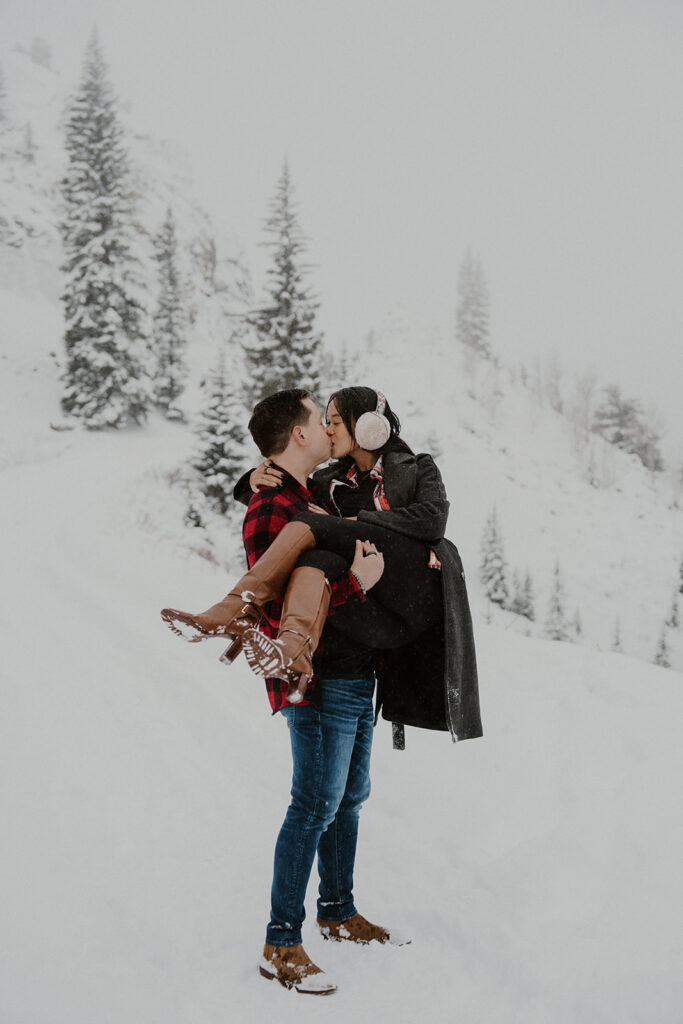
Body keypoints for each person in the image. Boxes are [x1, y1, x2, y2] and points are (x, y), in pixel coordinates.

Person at [161, 387, 482, 994]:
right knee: (313, 804)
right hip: (315, 675)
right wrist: (357, 582)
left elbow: (389, 520)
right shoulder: (274, 501)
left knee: (348, 797)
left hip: (358, 672)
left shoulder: (316, 491)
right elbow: (286, 597)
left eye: (337, 422)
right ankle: (280, 942)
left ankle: (336, 909)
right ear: (303, 435)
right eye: (321, 420)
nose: (328, 430)